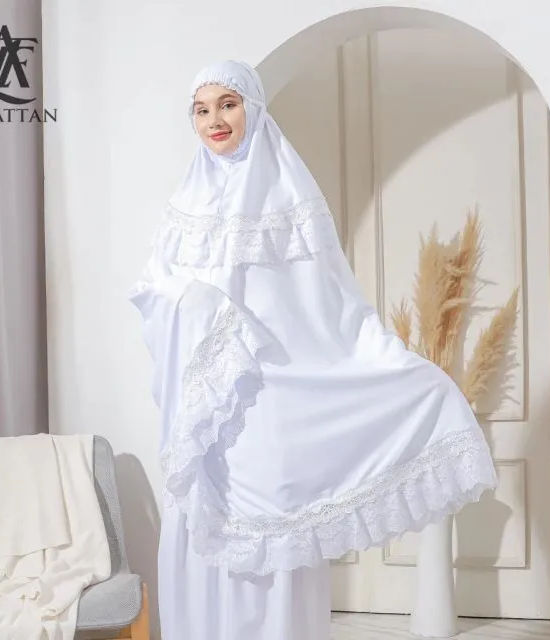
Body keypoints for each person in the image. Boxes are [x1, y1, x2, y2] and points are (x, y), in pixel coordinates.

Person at [129, 60, 498, 640]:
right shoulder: (183, 207)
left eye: (228, 104)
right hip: (206, 419)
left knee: (274, 544)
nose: (214, 119)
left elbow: (336, 307)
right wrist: (202, 307)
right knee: (203, 537)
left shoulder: (292, 199)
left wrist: (396, 364)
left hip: (272, 407)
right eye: (201, 110)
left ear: (253, 108)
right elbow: (151, 292)